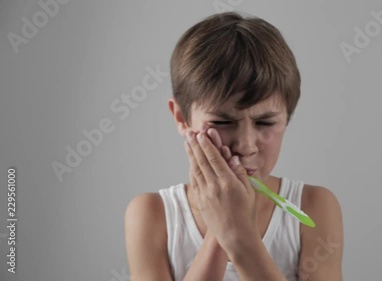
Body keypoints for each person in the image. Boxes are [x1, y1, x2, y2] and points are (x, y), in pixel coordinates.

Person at [125, 11, 343, 281]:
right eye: (222, 121)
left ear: (287, 117)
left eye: (265, 123)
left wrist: (238, 234)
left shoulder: (314, 206)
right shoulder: (152, 214)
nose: (245, 145)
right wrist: (223, 225)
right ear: (181, 117)